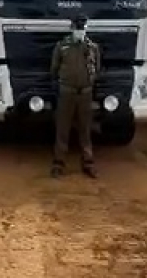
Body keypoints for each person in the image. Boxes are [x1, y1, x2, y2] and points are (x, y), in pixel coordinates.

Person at [49, 15, 102, 179]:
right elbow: (54, 69)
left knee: (85, 130)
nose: (79, 30)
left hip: (85, 93)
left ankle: (88, 162)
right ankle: (59, 163)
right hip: (67, 92)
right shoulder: (62, 46)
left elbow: (97, 69)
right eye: (77, 26)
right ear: (72, 28)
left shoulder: (92, 48)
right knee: (62, 129)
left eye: (82, 27)